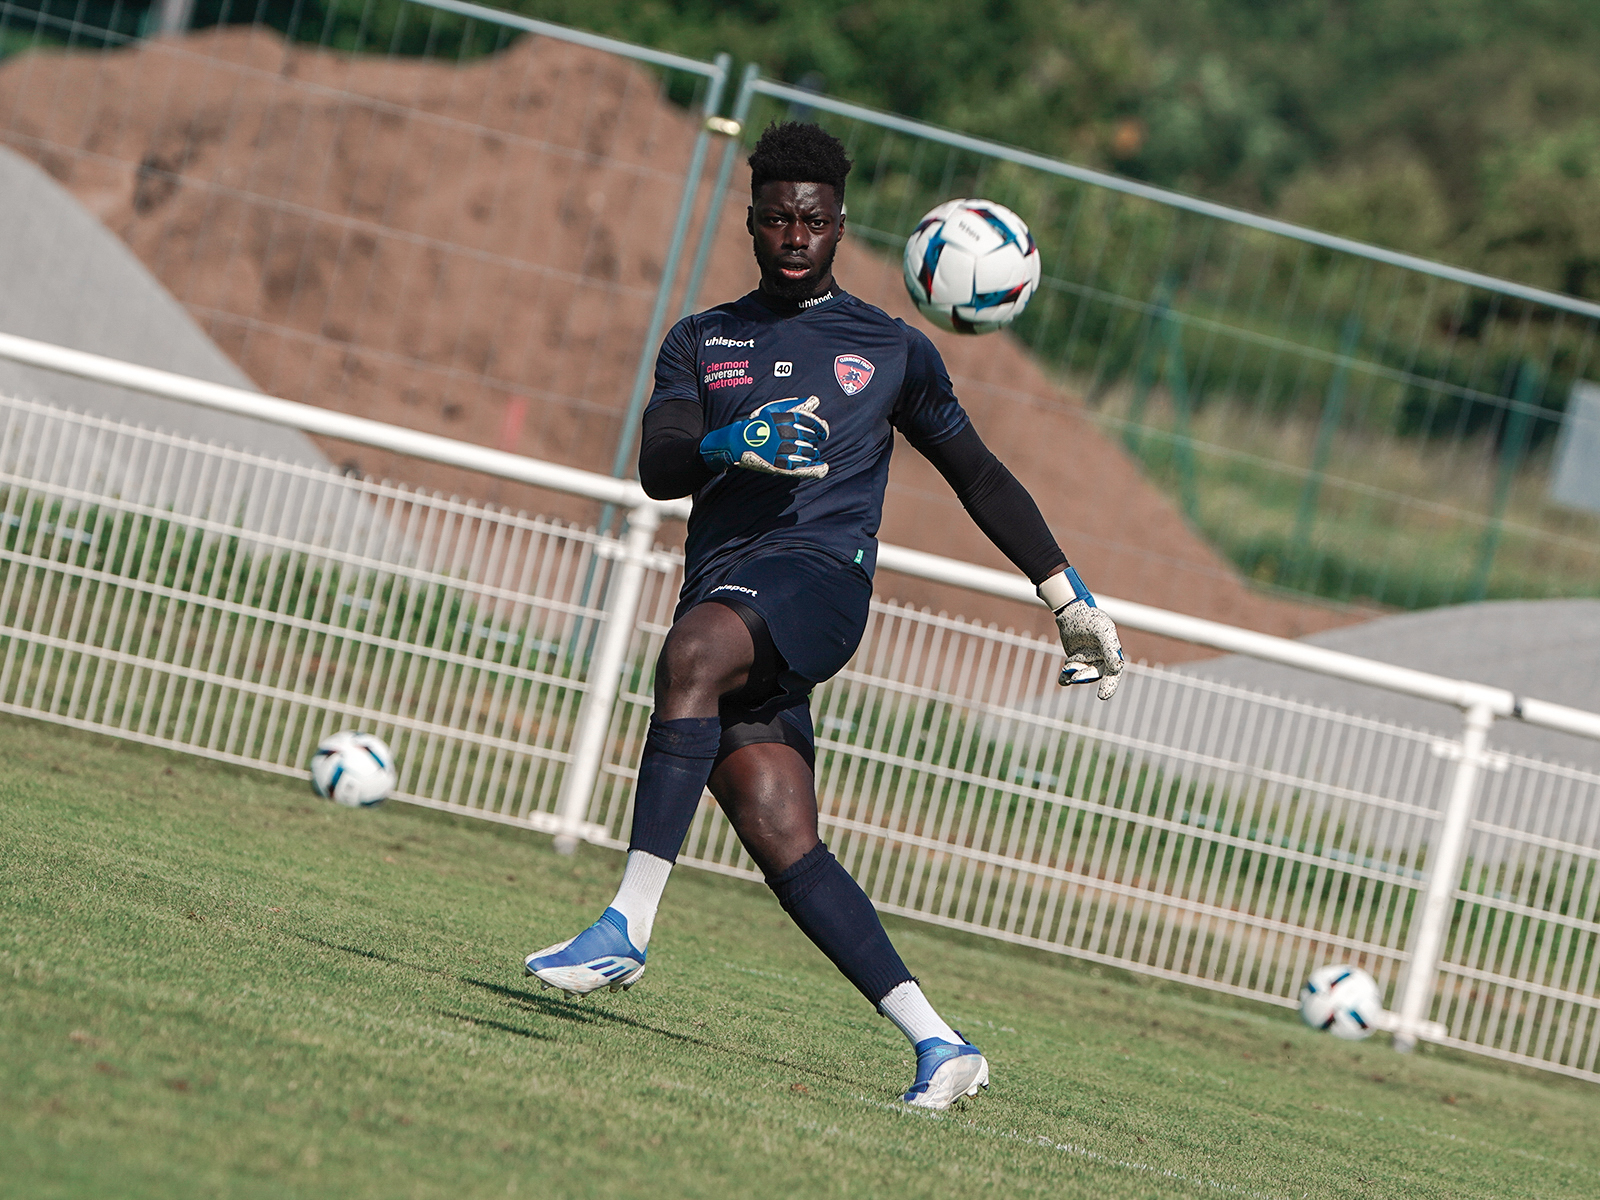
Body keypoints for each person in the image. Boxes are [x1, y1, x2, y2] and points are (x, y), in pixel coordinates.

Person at [526, 121, 1124, 1111]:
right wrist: (730, 440)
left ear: (839, 224)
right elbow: (658, 467)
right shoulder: (700, 339)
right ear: (753, 225)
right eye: (775, 219)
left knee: (690, 655)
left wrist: (1063, 595)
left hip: (820, 583)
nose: (794, 234)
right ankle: (941, 1045)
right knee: (778, 829)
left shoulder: (892, 350)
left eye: (811, 219)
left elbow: (977, 474)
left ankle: (626, 922)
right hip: (729, 589)